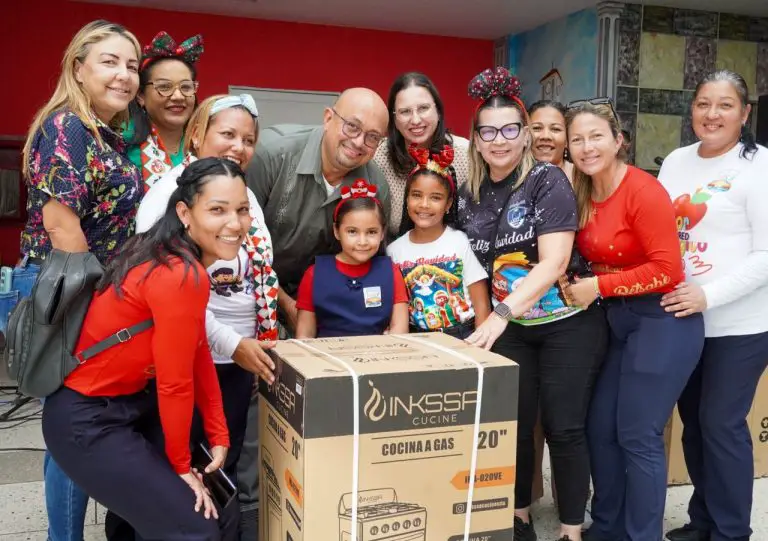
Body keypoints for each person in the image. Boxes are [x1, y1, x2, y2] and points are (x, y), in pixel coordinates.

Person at [42, 158, 251, 541]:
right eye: (217, 210)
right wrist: (181, 467)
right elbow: (174, 383)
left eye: (242, 210)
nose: (235, 224)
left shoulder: (172, 254)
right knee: (195, 528)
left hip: (126, 405)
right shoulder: (179, 273)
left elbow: (197, 351)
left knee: (217, 511)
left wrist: (218, 433)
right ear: (185, 213)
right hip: (87, 419)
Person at [459, 67, 607, 541]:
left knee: (564, 427)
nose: (499, 140)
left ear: (524, 135)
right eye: (488, 131)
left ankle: (570, 527)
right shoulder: (468, 195)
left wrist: (500, 315)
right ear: (476, 139)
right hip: (513, 330)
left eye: (509, 130)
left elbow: (554, 261)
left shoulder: (548, 181)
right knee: (515, 426)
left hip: (567, 321)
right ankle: (518, 513)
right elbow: (472, 268)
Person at [17, 20, 142, 541]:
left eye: (132, 65)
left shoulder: (103, 133)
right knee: (72, 430)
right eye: (110, 62)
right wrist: (101, 303)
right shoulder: (68, 126)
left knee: (69, 429)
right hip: (66, 292)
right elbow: (60, 223)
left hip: (81, 290)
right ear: (78, 68)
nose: (125, 75)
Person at [134, 93, 276, 541]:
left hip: (236, 361)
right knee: (174, 473)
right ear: (197, 133)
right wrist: (234, 343)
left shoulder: (242, 191)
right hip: (191, 359)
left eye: (249, 139)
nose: (239, 146)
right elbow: (173, 298)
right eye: (227, 134)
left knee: (219, 466)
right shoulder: (169, 196)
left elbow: (260, 272)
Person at [563, 98, 705, 541]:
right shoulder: (583, 190)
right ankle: (607, 528)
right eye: (577, 139)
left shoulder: (643, 190)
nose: (587, 147)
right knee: (600, 428)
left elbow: (668, 270)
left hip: (662, 319)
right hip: (618, 322)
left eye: (596, 136)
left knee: (638, 434)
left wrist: (598, 288)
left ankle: (642, 535)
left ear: (619, 140)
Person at [658, 70, 768, 541]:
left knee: (721, 425)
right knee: (695, 428)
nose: (712, 114)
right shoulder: (677, 162)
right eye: (704, 103)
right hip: (684, 322)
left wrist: (710, 294)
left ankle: (730, 532)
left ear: (744, 114)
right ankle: (703, 521)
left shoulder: (760, 167)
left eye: (725, 105)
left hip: (741, 324)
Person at [245, 87, 390, 334]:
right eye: (352, 126)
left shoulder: (375, 186)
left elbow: (372, 261)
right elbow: (240, 242)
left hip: (324, 309)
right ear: (327, 118)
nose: (358, 142)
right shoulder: (272, 156)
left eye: (372, 137)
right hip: (250, 294)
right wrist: (285, 303)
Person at [387, 144, 489, 338]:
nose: (424, 205)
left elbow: (481, 304)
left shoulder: (459, 241)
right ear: (406, 199)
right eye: (416, 195)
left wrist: (482, 349)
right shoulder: (394, 251)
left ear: (448, 204)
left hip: (464, 336)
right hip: (417, 338)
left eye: (435, 198)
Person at [295, 179, 408, 338]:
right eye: (352, 232)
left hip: (379, 357)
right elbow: (304, 335)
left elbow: (400, 331)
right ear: (336, 231)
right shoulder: (314, 275)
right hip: (328, 359)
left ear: (382, 233)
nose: (362, 241)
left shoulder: (391, 273)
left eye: (371, 232)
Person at [374, 72, 470, 236]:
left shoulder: (465, 154)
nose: (416, 120)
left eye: (423, 108)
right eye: (405, 112)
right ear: (395, 120)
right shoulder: (379, 157)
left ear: (438, 111)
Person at [124, 31, 202, 188]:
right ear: (140, 95)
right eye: (164, 87)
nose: (178, 96)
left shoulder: (204, 143)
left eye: (186, 87)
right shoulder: (119, 143)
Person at [528, 100, 574, 181]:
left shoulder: (583, 178)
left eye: (555, 129)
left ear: (567, 140)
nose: (545, 136)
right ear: (525, 135)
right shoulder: (511, 177)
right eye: (537, 128)